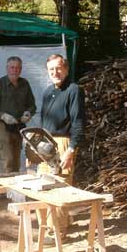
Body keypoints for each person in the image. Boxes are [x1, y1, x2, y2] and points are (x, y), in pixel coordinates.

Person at [38, 54, 86, 239]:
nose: (55, 72)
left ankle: (58, 232)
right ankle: (48, 227)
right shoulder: (47, 92)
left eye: (58, 68)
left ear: (66, 69)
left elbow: (78, 122)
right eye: (51, 69)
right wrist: (35, 148)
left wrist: (71, 149)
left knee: (59, 186)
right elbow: (43, 122)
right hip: (45, 142)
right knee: (42, 184)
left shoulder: (74, 90)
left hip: (63, 142)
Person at [0, 56, 36, 173]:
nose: (14, 70)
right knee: (7, 163)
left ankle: (14, 190)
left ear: (21, 69)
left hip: (19, 128)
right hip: (3, 129)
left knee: (16, 162)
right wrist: (3, 116)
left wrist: (28, 113)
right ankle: (7, 191)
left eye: (17, 68)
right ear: (7, 68)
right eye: (12, 67)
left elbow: (32, 105)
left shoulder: (25, 84)